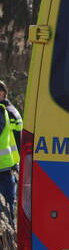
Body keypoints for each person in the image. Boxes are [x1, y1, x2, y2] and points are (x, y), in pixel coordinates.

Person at [0, 81, 19, 224]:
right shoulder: (8, 110)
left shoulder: (5, 111)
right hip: (9, 163)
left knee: (7, 206)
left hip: (5, 165)